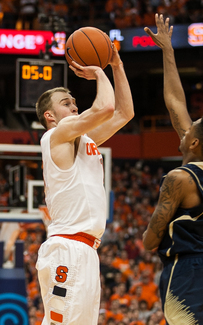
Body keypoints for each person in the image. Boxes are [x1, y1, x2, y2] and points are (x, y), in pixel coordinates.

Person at [142, 14, 203, 325]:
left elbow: (150, 240)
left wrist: (149, 237)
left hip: (184, 272)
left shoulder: (178, 178)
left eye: (191, 127)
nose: (186, 126)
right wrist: (167, 50)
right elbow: (174, 102)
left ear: (194, 143)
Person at [35, 44, 134, 325]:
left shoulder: (83, 140)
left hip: (87, 250)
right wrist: (98, 73)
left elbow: (124, 113)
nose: (74, 105)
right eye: (66, 103)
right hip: (67, 248)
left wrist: (117, 66)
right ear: (50, 117)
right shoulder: (56, 135)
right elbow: (105, 106)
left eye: (74, 101)